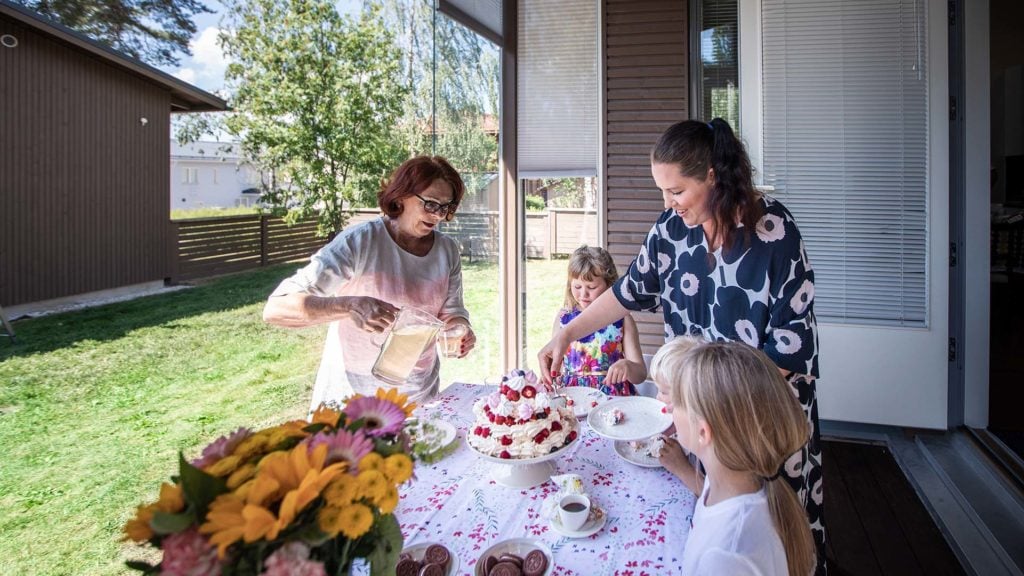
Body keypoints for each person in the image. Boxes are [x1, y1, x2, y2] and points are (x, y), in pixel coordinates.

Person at [538, 118, 825, 573]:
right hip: (701, 417)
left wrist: (711, 403)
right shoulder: (673, 230)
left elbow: (790, 353)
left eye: (676, 191)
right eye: (662, 192)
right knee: (713, 526)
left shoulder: (775, 232)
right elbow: (627, 290)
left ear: (713, 175)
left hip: (760, 418)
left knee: (769, 541)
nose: (668, 204)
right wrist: (567, 333)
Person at [263, 156, 476, 410]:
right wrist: (350, 305)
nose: (438, 215)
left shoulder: (446, 250)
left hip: (420, 392)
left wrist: (459, 330)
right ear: (401, 196)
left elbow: (452, 313)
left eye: (445, 207)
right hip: (356, 395)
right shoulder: (360, 243)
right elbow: (276, 308)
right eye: (430, 204)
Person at [659, 340, 816, 576]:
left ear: (703, 432)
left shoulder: (726, 557)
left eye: (678, 403)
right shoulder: (728, 479)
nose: (670, 409)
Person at [553, 246, 646, 396]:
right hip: (573, 397)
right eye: (577, 286)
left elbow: (640, 374)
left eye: (591, 287)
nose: (583, 294)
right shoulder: (563, 318)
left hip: (613, 398)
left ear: (609, 285)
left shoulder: (622, 319)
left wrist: (628, 366)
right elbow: (554, 363)